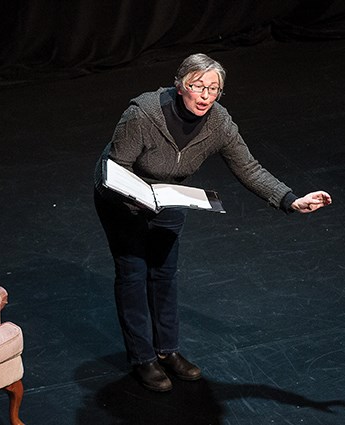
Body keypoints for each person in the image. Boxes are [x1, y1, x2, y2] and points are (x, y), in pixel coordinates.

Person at [94, 53, 332, 391]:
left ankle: (167, 351)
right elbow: (117, 168)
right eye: (197, 86)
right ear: (180, 86)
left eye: (214, 89)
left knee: (163, 273)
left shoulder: (219, 122)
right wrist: (139, 199)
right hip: (122, 199)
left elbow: (249, 168)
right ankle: (142, 358)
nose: (205, 95)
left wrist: (290, 200)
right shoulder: (142, 114)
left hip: (171, 196)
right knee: (133, 273)